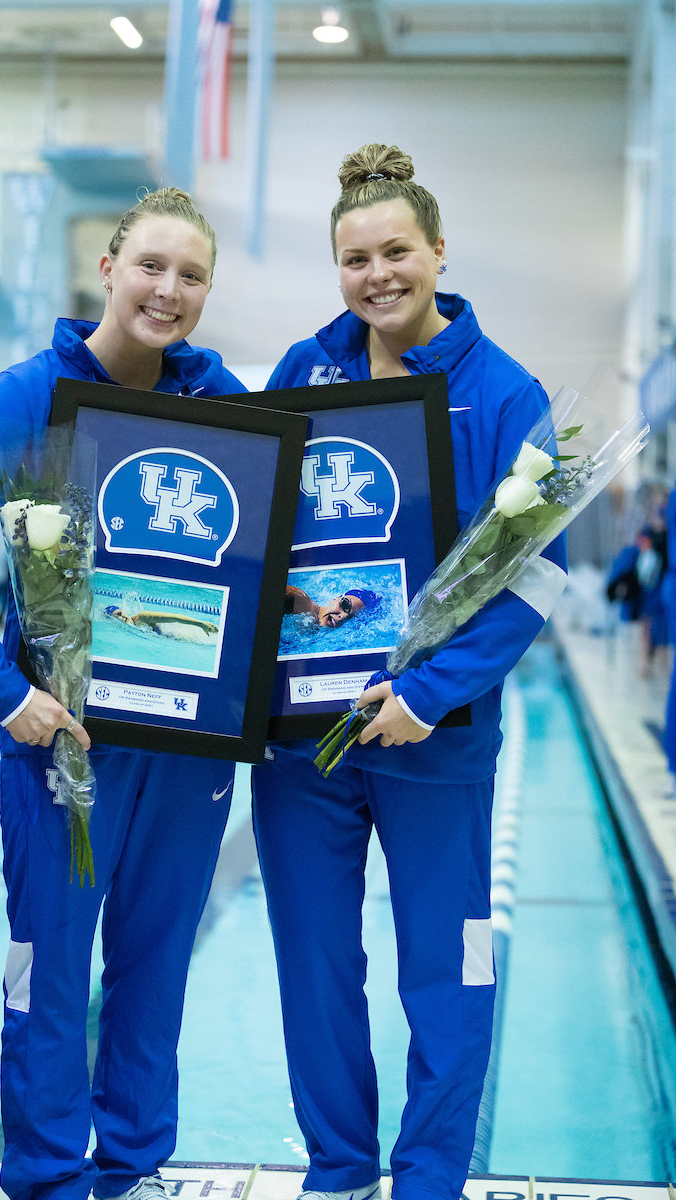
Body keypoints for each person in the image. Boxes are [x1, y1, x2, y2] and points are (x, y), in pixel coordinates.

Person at [0, 188, 245, 1200]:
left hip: (184, 757)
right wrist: (8, 697)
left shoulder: (223, 412)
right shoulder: (26, 396)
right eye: (150, 266)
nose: (167, 291)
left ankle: (134, 1167)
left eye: (190, 276)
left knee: (155, 971)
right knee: (46, 977)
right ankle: (47, 1177)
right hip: (62, 747)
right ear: (107, 268)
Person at [252, 145, 568, 1200]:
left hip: (433, 736)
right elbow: (266, 534)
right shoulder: (305, 369)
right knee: (314, 964)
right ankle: (338, 1168)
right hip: (304, 735)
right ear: (334, 267)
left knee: (446, 966)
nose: (376, 274)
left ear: (436, 251)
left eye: (395, 252)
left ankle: (427, 1176)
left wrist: (429, 695)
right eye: (354, 259)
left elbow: (532, 580)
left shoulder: (502, 392)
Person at [105, 604, 219, 641]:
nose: (121, 618)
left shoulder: (143, 617)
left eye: (120, 613)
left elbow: (176, 617)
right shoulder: (129, 629)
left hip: (184, 636)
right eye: (116, 618)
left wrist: (201, 624)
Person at [284, 585, 377, 627]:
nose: (343, 616)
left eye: (351, 617)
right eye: (345, 605)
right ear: (333, 600)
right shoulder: (302, 602)